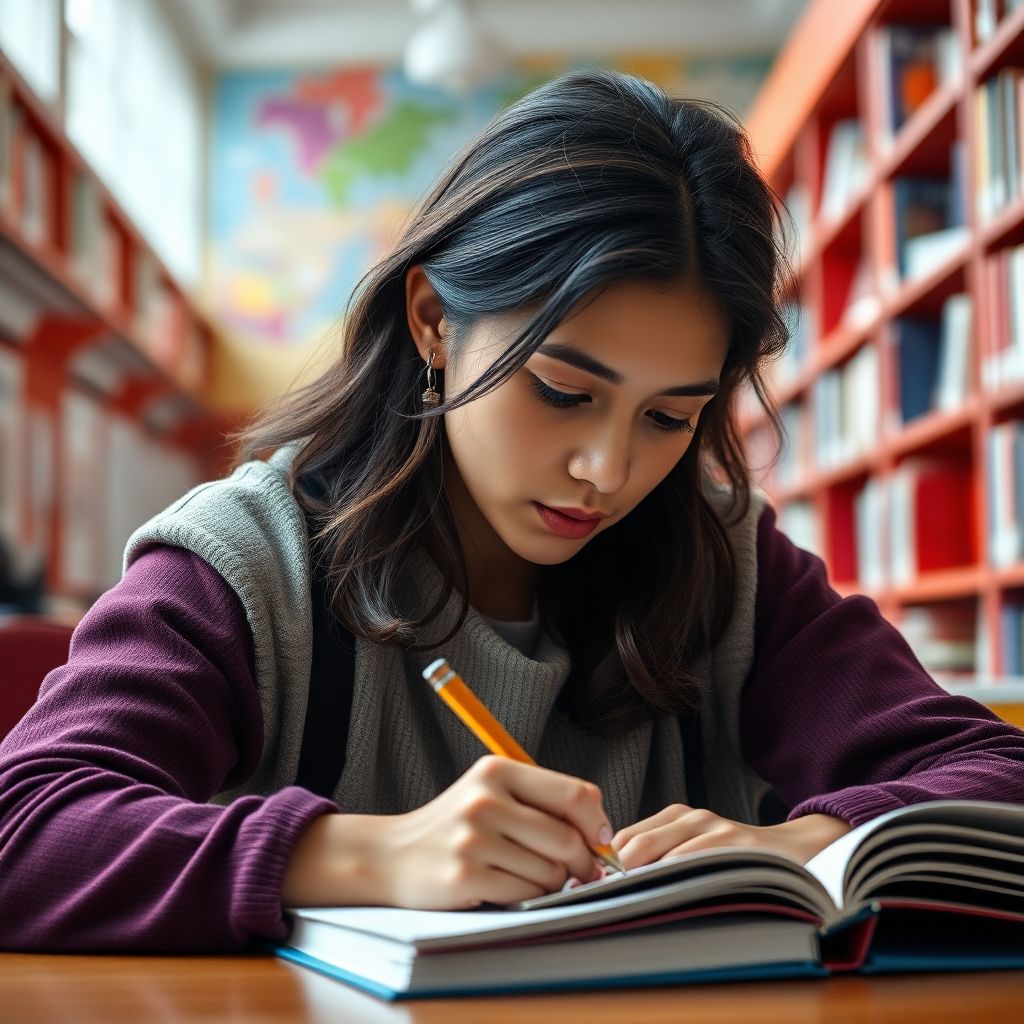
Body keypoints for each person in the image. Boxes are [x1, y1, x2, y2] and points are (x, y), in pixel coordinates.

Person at [1, 69, 1022, 953]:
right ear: (435, 320)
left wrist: (809, 838)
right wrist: (360, 852)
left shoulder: (727, 561)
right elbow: (26, 831)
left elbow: (994, 772)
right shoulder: (247, 562)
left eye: (669, 416)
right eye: (563, 391)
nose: (605, 469)